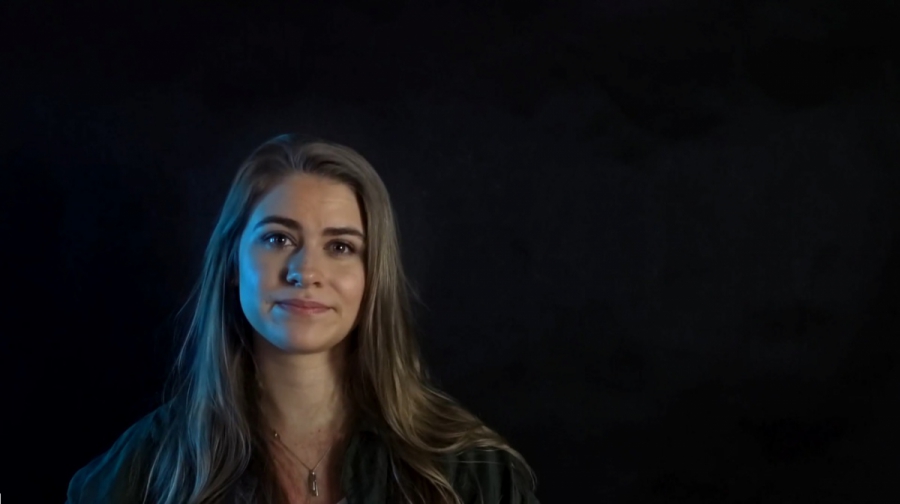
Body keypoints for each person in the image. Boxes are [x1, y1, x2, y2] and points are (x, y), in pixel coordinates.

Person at [65, 134, 538, 503]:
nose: (305, 271)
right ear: (232, 265)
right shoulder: (142, 473)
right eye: (278, 239)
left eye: (341, 247)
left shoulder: (470, 472)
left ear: (373, 277)